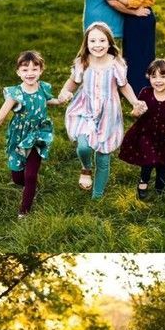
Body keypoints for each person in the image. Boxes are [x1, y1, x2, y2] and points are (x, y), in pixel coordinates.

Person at [56, 22, 147, 200]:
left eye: (102, 40)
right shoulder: (83, 62)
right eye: (93, 41)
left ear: (110, 43)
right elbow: (73, 82)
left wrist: (135, 102)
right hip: (85, 108)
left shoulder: (116, 64)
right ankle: (86, 168)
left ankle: (97, 197)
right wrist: (64, 92)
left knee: (103, 156)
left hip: (108, 113)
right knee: (83, 146)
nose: (97, 45)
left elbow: (124, 86)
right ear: (86, 43)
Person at [0, 49, 56, 219]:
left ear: (41, 70)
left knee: (30, 175)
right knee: (17, 177)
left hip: (38, 135)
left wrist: (61, 99)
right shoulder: (15, 94)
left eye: (34, 69)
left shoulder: (43, 88)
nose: (30, 73)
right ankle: (30, 186)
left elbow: (49, 100)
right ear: (18, 72)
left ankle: (25, 211)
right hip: (19, 138)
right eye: (25, 69)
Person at [119, 58, 165, 199]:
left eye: (163, 76)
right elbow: (136, 112)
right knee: (149, 161)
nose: (158, 80)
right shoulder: (145, 93)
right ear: (148, 77)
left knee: (163, 164)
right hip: (146, 134)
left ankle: (160, 189)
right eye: (153, 76)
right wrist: (135, 112)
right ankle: (143, 182)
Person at [114, 0, 157, 95]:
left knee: (140, 53)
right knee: (131, 53)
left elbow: (136, 2)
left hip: (141, 20)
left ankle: (141, 89)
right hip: (134, 19)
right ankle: (130, 87)